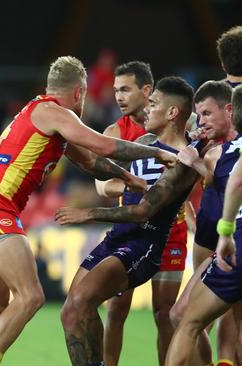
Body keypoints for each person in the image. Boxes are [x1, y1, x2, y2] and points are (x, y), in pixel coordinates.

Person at [0, 56, 175, 366]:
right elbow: (104, 146)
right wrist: (156, 152)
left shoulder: (41, 115)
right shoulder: (54, 112)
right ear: (79, 92)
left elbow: (91, 162)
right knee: (31, 297)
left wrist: (126, 177)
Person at [55, 76, 196, 366]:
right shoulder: (144, 143)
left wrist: (90, 213)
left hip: (143, 246)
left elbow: (144, 211)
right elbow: (105, 157)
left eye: (154, 104)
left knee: (84, 302)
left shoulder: (183, 161)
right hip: (117, 238)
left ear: (172, 113)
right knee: (70, 311)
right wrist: (67, 145)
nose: (147, 109)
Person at [96, 62, 190, 366]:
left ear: (146, 91)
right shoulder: (115, 132)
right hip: (134, 230)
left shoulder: (176, 126)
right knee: (116, 307)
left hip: (172, 230)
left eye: (125, 89)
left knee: (165, 312)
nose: (119, 97)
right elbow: (101, 186)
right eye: (115, 91)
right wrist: (137, 184)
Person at [165, 85, 242, 366]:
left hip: (232, 244)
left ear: (229, 110)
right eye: (199, 116)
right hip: (218, 244)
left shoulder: (223, 153)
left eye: (208, 113)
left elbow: (226, 178)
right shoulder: (213, 148)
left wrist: (195, 160)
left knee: (184, 318)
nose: (202, 121)